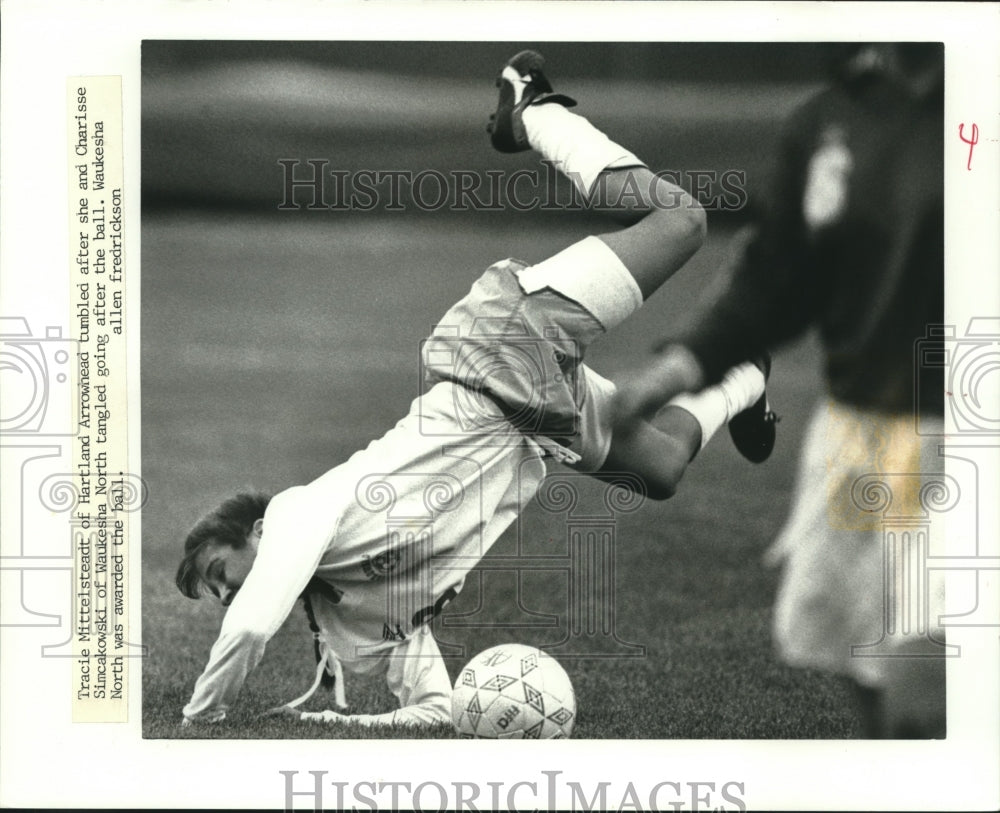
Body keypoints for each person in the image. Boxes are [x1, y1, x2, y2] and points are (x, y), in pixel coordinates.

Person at [177, 51, 774, 728]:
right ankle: (747, 374)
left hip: (495, 353)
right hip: (525, 423)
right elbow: (436, 708)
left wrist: (202, 717)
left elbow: (253, 627)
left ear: (254, 530)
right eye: (217, 595)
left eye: (219, 572)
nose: (227, 594)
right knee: (663, 468)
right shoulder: (352, 618)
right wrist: (342, 722)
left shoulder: (294, 514)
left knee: (683, 221)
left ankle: (535, 113)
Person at [613, 44, 946, 738]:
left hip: (967, 443)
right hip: (858, 435)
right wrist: (679, 366)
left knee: (928, 701)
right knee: (876, 699)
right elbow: (778, 275)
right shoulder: (832, 117)